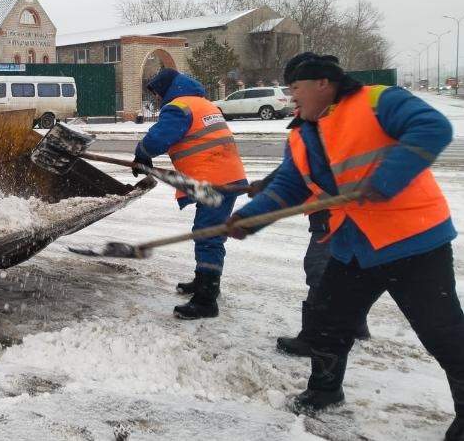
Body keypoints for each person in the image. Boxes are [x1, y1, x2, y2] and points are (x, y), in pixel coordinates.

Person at [225, 53, 464, 439]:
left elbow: (432, 127)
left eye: (295, 88)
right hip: (353, 245)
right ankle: (325, 389)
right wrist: (251, 218)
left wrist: (383, 180)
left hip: (413, 241)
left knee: (443, 332)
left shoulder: (378, 101)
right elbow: (290, 185)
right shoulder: (301, 133)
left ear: (323, 83)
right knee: (328, 321)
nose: (291, 98)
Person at [247, 55, 369, 357]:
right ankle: (354, 322)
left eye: (295, 87)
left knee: (321, 272)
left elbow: (313, 171)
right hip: (334, 212)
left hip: (337, 213)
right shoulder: (316, 120)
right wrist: (267, 185)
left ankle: (313, 337)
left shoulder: (330, 121)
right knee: (348, 271)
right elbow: (298, 168)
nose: (291, 95)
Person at [134, 68, 247, 319]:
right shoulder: (203, 104)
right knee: (206, 232)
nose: (157, 98)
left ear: (167, 89)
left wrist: (142, 151)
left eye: (157, 93)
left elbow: (159, 139)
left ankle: (206, 299)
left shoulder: (179, 107)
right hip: (228, 176)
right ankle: (204, 282)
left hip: (214, 181)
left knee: (208, 236)